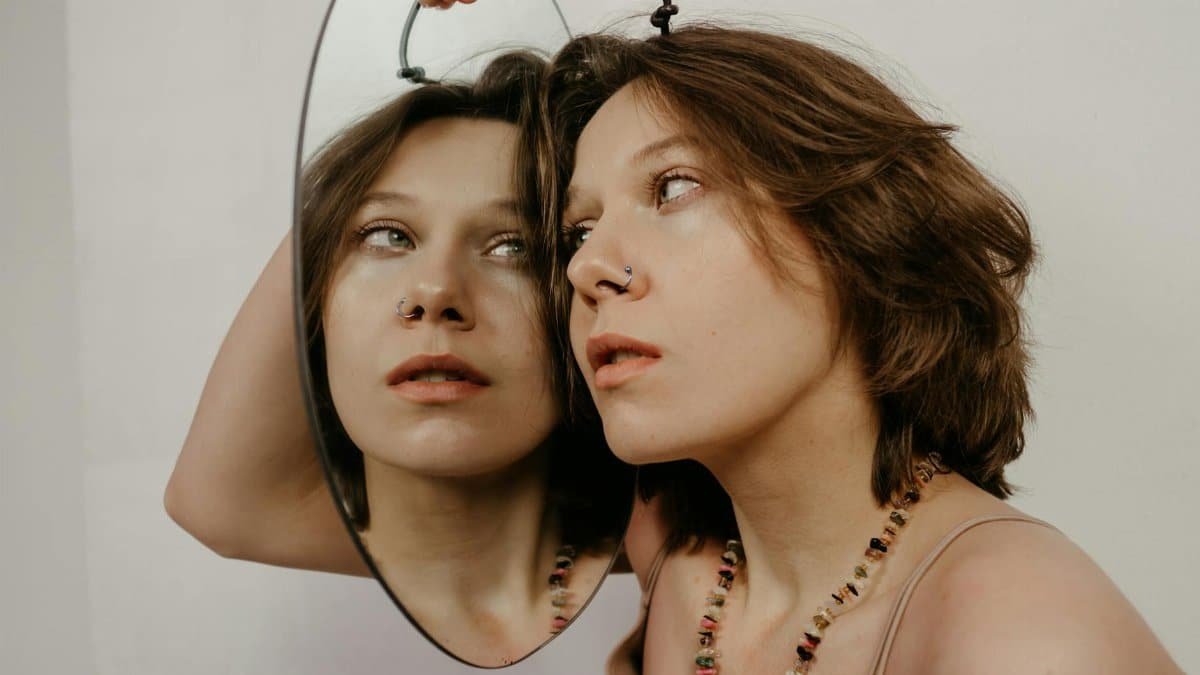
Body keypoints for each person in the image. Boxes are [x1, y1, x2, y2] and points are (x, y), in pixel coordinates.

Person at [540, 26, 1183, 674]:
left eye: (673, 187)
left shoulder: (1023, 634)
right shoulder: (683, 564)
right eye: (580, 230)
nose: (587, 265)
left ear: (857, 231)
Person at [165, 52, 631, 667]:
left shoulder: (684, 550)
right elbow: (211, 504)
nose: (435, 293)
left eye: (512, 246)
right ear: (316, 308)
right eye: (388, 235)